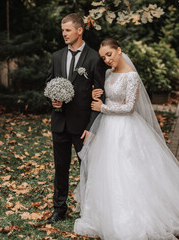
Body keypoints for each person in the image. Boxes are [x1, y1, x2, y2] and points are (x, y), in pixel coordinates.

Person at [73, 38, 179, 240]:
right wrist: (98, 95)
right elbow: (112, 97)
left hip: (127, 129)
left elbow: (129, 108)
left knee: (131, 170)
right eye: (103, 57)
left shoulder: (132, 76)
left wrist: (103, 108)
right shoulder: (108, 74)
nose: (107, 60)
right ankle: (106, 213)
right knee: (108, 170)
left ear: (119, 50)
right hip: (108, 129)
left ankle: (137, 216)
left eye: (109, 54)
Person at [45, 13, 106, 224]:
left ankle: (90, 208)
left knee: (88, 168)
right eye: (63, 30)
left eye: (68, 30)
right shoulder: (56, 56)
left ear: (80, 30)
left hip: (83, 126)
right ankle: (59, 208)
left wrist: (92, 126)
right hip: (59, 123)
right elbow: (48, 85)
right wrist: (53, 101)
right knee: (60, 169)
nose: (64, 34)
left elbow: (100, 93)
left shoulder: (94, 58)